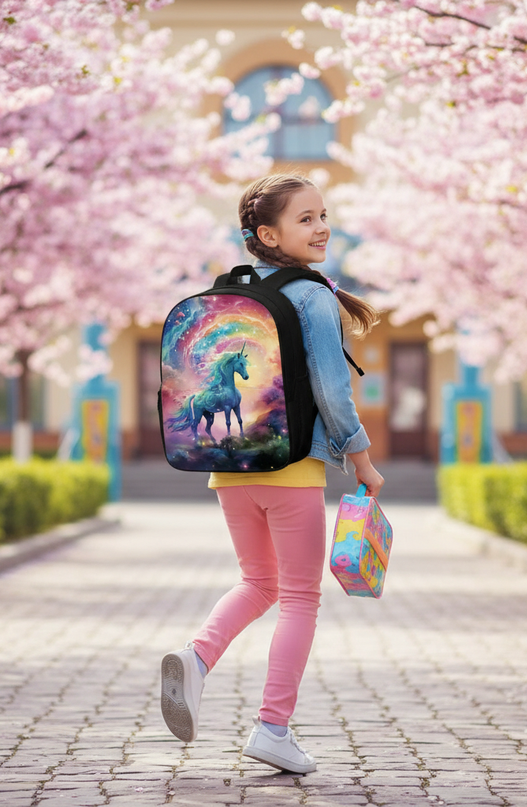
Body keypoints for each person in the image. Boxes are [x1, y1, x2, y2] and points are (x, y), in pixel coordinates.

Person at [160, 173, 384, 774]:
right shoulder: (312, 297)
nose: (321, 227)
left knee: (259, 582)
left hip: (230, 467)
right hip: (292, 471)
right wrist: (360, 457)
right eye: (305, 219)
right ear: (268, 234)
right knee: (301, 598)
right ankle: (272, 727)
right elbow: (332, 391)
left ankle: (196, 658)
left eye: (323, 215)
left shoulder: (233, 290)